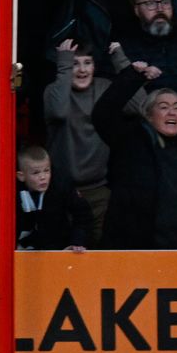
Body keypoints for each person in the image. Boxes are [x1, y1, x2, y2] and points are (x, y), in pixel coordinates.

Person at [93, 62, 177, 250]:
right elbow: (102, 115)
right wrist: (132, 77)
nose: (172, 112)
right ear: (149, 115)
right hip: (138, 252)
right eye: (163, 107)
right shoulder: (132, 141)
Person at [44, 38, 140, 245]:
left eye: (87, 63)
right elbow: (58, 112)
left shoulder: (104, 87)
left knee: (101, 254)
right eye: (75, 63)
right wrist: (64, 66)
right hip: (61, 193)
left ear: (95, 66)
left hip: (99, 192)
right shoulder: (55, 91)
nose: (81, 70)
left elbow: (140, 105)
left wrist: (121, 63)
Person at [117, 0, 177, 119]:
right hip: (149, 128)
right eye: (150, 3)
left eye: (165, 2)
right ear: (137, 10)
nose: (160, 9)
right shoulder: (125, 47)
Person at [15, 144, 90, 252]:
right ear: (21, 176)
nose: (43, 177)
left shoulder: (61, 185)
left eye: (47, 170)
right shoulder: (10, 191)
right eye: (36, 173)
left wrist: (77, 242)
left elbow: (83, 215)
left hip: (59, 248)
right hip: (22, 250)